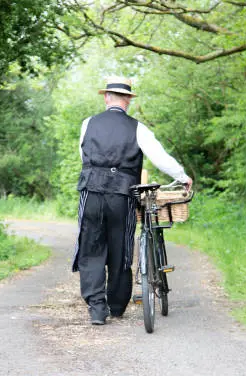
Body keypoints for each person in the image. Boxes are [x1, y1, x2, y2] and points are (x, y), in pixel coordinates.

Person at [71, 76, 192, 325]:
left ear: (106, 97)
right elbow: (159, 158)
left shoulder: (88, 124)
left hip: (91, 191)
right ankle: (116, 305)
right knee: (120, 248)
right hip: (122, 194)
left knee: (91, 247)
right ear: (127, 100)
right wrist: (182, 176)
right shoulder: (138, 128)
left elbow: (84, 156)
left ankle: (96, 309)